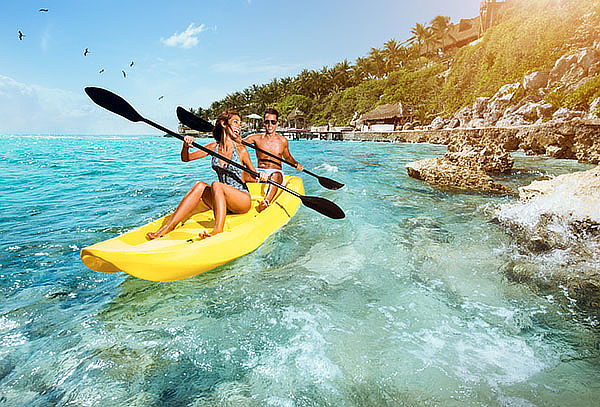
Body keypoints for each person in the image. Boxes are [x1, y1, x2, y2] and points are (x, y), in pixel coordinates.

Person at [146, 109, 266, 240]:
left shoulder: (241, 150)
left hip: (241, 200)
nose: (239, 126)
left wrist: (261, 175)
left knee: (216, 185)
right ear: (224, 124)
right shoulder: (213, 147)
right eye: (235, 122)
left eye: (239, 123)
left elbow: (253, 174)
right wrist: (185, 146)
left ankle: (218, 229)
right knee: (200, 186)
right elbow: (186, 159)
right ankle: (168, 227)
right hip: (222, 201)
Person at [244, 108, 304, 212]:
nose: (270, 125)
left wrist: (296, 164)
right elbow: (239, 145)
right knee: (240, 173)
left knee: (275, 175)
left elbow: (288, 158)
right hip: (259, 173)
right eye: (267, 122)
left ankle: (266, 201)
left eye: (273, 122)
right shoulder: (256, 138)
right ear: (263, 123)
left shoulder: (282, 141)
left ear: (277, 123)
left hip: (276, 173)